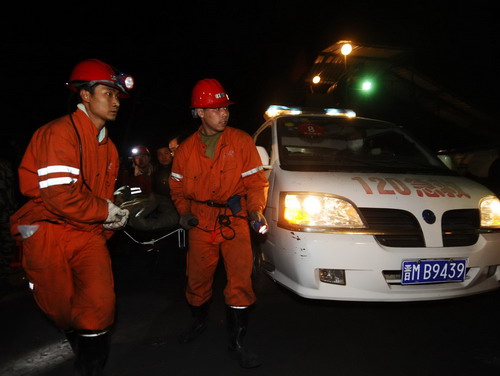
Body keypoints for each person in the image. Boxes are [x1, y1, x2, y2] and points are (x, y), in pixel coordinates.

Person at [9, 58, 133, 375]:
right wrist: (105, 210)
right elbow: (58, 195)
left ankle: (89, 367)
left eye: (118, 96)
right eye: (108, 93)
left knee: (100, 305)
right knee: (60, 308)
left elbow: (103, 197)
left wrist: (109, 220)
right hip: (47, 231)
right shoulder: (57, 134)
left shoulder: (111, 150)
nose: (116, 101)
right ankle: (76, 340)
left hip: (87, 234)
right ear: (85, 95)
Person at [169, 78, 269, 368]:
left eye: (225, 108)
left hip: (234, 219)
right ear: (200, 112)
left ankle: (236, 342)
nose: (224, 113)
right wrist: (183, 211)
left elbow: (255, 183)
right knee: (197, 280)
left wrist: (255, 210)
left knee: (240, 280)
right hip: (200, 221)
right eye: (216, 109)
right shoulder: (186, 150)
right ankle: (198, 323)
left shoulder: (241, 141)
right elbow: (176, 188)